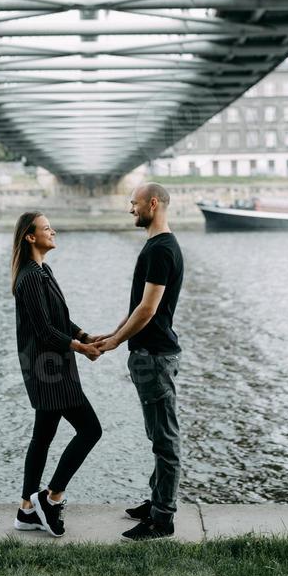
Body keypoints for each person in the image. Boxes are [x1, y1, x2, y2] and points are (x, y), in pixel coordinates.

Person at [96, 182, 184, 541]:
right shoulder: (158, 246)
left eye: (133, 204)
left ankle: (162, 519)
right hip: (150, 354)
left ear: (152, 203)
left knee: (165, 440)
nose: (130, 209)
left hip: (155, 356)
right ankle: (156, 500)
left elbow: (148, 309)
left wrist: (116, 342)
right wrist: (111, 334)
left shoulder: (161, 250)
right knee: (156, 434)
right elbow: (139, 307)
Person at [12, 210, 102, 537]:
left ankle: (26, 510)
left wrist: (87, 336)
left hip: (51, 368)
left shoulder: (42, 271)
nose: (54, 232)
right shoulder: (30, 277)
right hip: (50, 370)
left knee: (43, 436)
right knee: (91, 430)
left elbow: (60, 321)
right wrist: (81, 348)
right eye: (47, 229)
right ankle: (52, 497)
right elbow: (45, 331)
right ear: (30, 236)